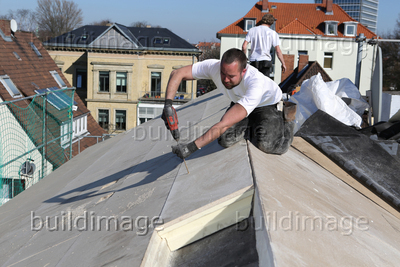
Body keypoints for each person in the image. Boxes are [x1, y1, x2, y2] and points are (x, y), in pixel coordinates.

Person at [162, 48, 296, 159]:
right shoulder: (213, 66)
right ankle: (251, 124)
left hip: (267, 105)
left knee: (267, 144)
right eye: (223, 73)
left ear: (243, 71)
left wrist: (191, 148)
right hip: (241, 103)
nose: (225, 80)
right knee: (225, 140)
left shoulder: (255, 83)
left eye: (231, 76)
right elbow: (177, 73)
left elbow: (224, 123)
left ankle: (288, 120)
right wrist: (168, 105)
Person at [242, 13, 286, 77]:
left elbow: (244, 46)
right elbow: (278, 51)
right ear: (271, 22)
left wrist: (244, 58)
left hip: (253, 62)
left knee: (253, 83)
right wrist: (283, 63)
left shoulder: (252, 30)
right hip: (266, 62)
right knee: (264, 84)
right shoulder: (273, 33)